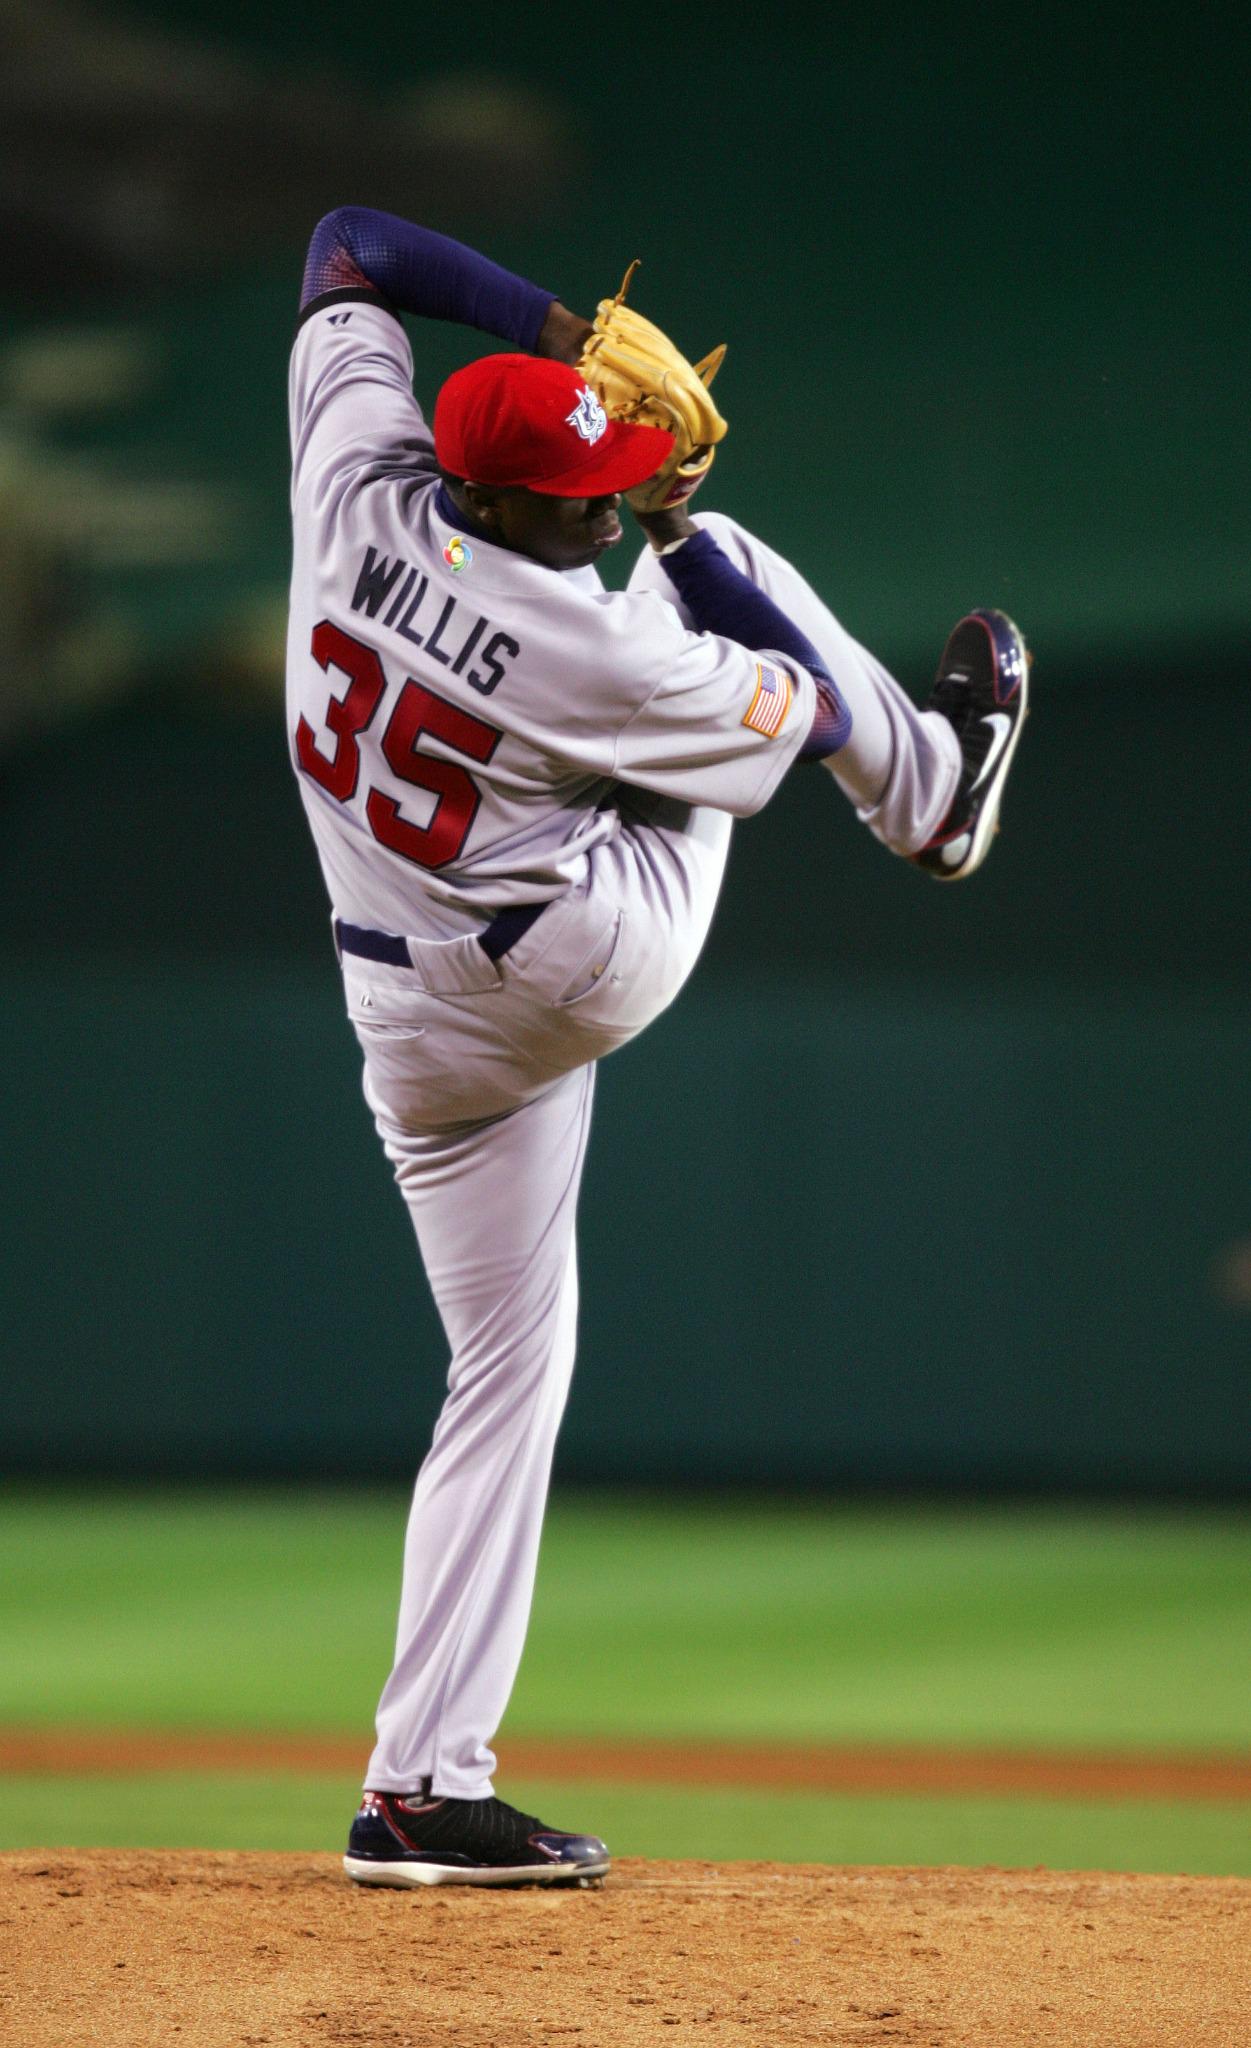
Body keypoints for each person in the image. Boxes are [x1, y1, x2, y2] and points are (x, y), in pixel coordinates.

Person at [285, 206, 1028, 1889]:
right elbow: (798, 705)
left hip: (401, 1016)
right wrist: (677, 524)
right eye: (594, 486)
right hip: (576, 967)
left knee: (507, 1372)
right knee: (745, 587)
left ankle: (418, 1792)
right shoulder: (597, 637)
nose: (613, 489)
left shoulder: (353, 482)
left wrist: (544, 332)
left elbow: (344, 252)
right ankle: (944, 805)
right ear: (523, 498)